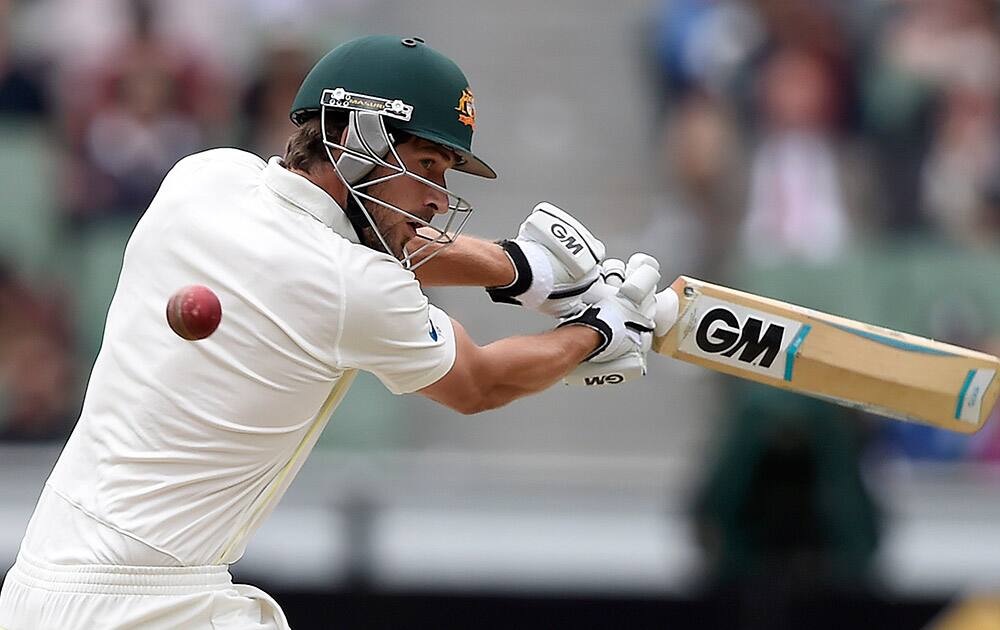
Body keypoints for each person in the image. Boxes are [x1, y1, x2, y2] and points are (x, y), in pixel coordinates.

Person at [0, 35, 659, 629]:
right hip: (150, 607)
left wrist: (524, 269)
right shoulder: (357, 290)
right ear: (359, 140)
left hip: (42, 579)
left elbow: (369, 241)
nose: (437, 196)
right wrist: (601, 330)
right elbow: (479, 382)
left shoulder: (202, 177)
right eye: (428, 165)